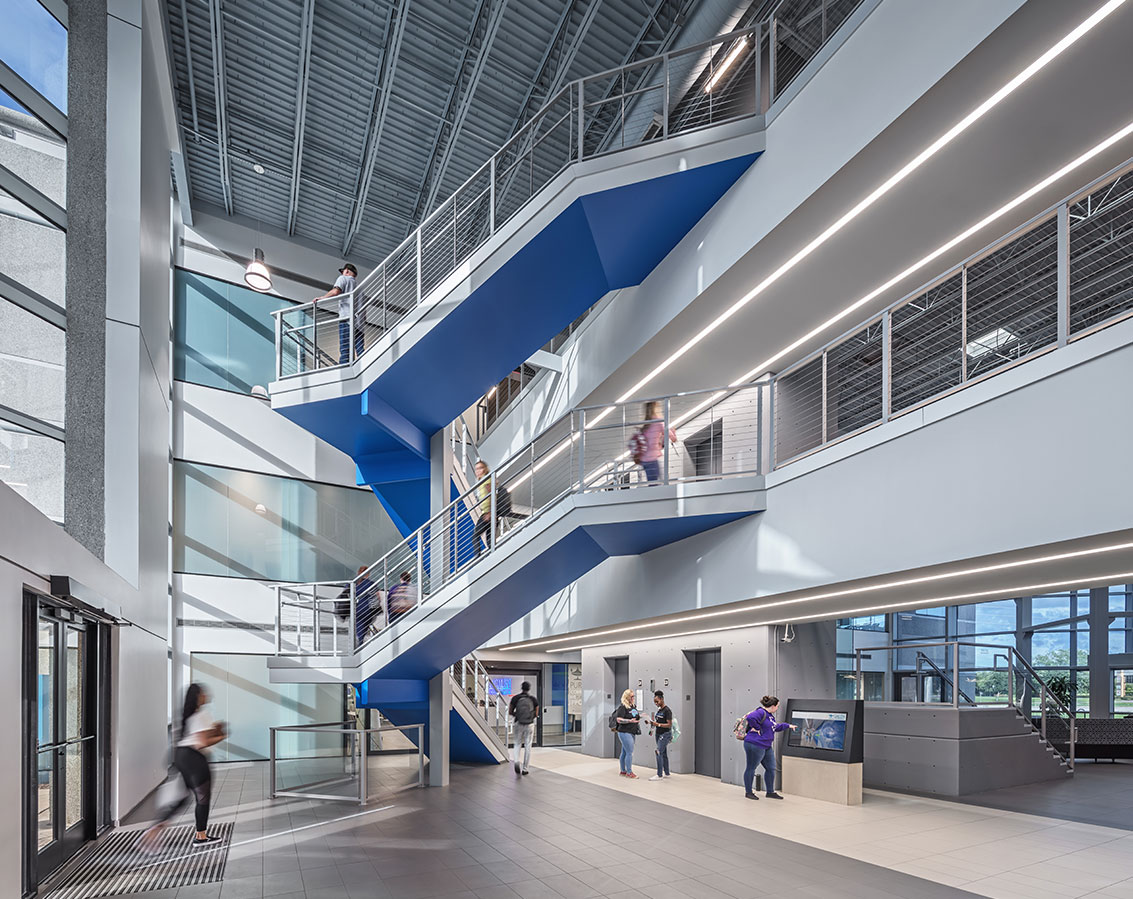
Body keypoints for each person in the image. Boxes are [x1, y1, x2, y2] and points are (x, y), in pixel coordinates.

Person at [141, 684, 226, 850]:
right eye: (202, 694)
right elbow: (202, 742)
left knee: (182, 797)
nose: (206, 696)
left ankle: (154, 830)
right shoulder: (201, 714)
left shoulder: (188, 716)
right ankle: (200, 837)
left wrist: (215, 730)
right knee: (203, 798)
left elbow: (199, 736)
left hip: (182, 756)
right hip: (194, 758)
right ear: (197, 697)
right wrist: (221, 735)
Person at [741, 695, 796, 800]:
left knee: (771, 768)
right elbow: (750, 717)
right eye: (777, 706)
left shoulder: (770, 716)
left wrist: (788, 726)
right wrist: (757, 728)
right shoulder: (761, 712)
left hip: (766, 746)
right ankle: (748, 792)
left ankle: (770, 792)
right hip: (755, 744)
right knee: (751, 768)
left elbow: (775, 727)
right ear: (773, 706)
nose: (778, 708)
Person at [313, 263, 357, 365]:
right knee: (355, 348)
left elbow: (336, 291)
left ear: (346, 271)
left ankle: (343, 369)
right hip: (356, 321)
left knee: (345, 347)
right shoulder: (357, 287)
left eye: (343, 271)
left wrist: (322, 298)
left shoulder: (343, 278)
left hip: (346, 317)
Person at [633, 401, 677, 483]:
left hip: (643, 459)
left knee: (653, 483)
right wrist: (673, 432)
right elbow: (673, 438)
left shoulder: (644, 424)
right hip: (652, 458)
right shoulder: (659, 422)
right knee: (660, 482)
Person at [508, 681, 540, 776]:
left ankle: (517, 761)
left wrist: (517, 715)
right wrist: (529, 717)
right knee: (528, 746)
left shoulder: (516, 698)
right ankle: (525, 768)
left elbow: (510, 711)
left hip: (518, 723)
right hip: (529, 724)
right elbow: (537, 714)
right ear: (529, 688)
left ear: (521, 688)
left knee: (517, 744)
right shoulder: (533, 699)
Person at [614, 688, 642, 779]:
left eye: (634, 696)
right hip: (624, 732)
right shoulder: (623, 707)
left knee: (625, 752)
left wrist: (641, 716)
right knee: (630, 752)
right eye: (632, 696)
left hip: (632, 731)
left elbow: (635, 717)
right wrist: (629, 721)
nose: (633, 698)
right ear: (627, 697)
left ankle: (623, 771)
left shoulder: (633, 706)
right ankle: (629, 772)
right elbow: (619, 719)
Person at [648, 690, 673, 781]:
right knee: (663, 753)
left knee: (658, 751)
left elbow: (669, 724)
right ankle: (666, 772)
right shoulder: (659, 710)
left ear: (662, 699)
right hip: (658, 734)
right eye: (654, 702)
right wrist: (651, 723)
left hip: (665, 734)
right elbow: (658, 722)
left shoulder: (667, 711)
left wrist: (657, 724)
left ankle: (659, 775)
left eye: (657, 701)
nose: (656, 703)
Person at [472, 460, 492, 556]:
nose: (478, 471)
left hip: (488, 513)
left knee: (475, 535)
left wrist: (490, 512)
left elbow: (492, 495)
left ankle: (477, 557)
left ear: (485, 469)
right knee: (489, 540)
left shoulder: (486, 480)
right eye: (476, 469)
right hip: (488, 512)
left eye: (480, 468)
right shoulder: (482, 481)